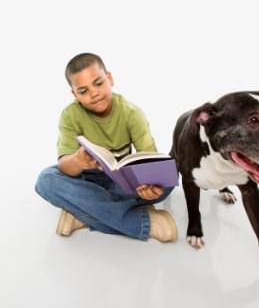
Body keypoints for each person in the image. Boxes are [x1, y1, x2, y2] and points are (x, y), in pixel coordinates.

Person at [35, 53, 178, 242]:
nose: (94, 93)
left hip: (123, 182)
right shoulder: (70, 115)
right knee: (46, 180)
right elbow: (65, 167)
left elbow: (150, 160)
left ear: (110, 78)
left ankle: (82, 213)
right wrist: (78, 161)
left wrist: (151, 186)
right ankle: (144, 222)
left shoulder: (131, 112)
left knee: (169, 181)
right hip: (87, 180)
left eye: (98, 83)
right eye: (83, 91)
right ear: (75, 94)